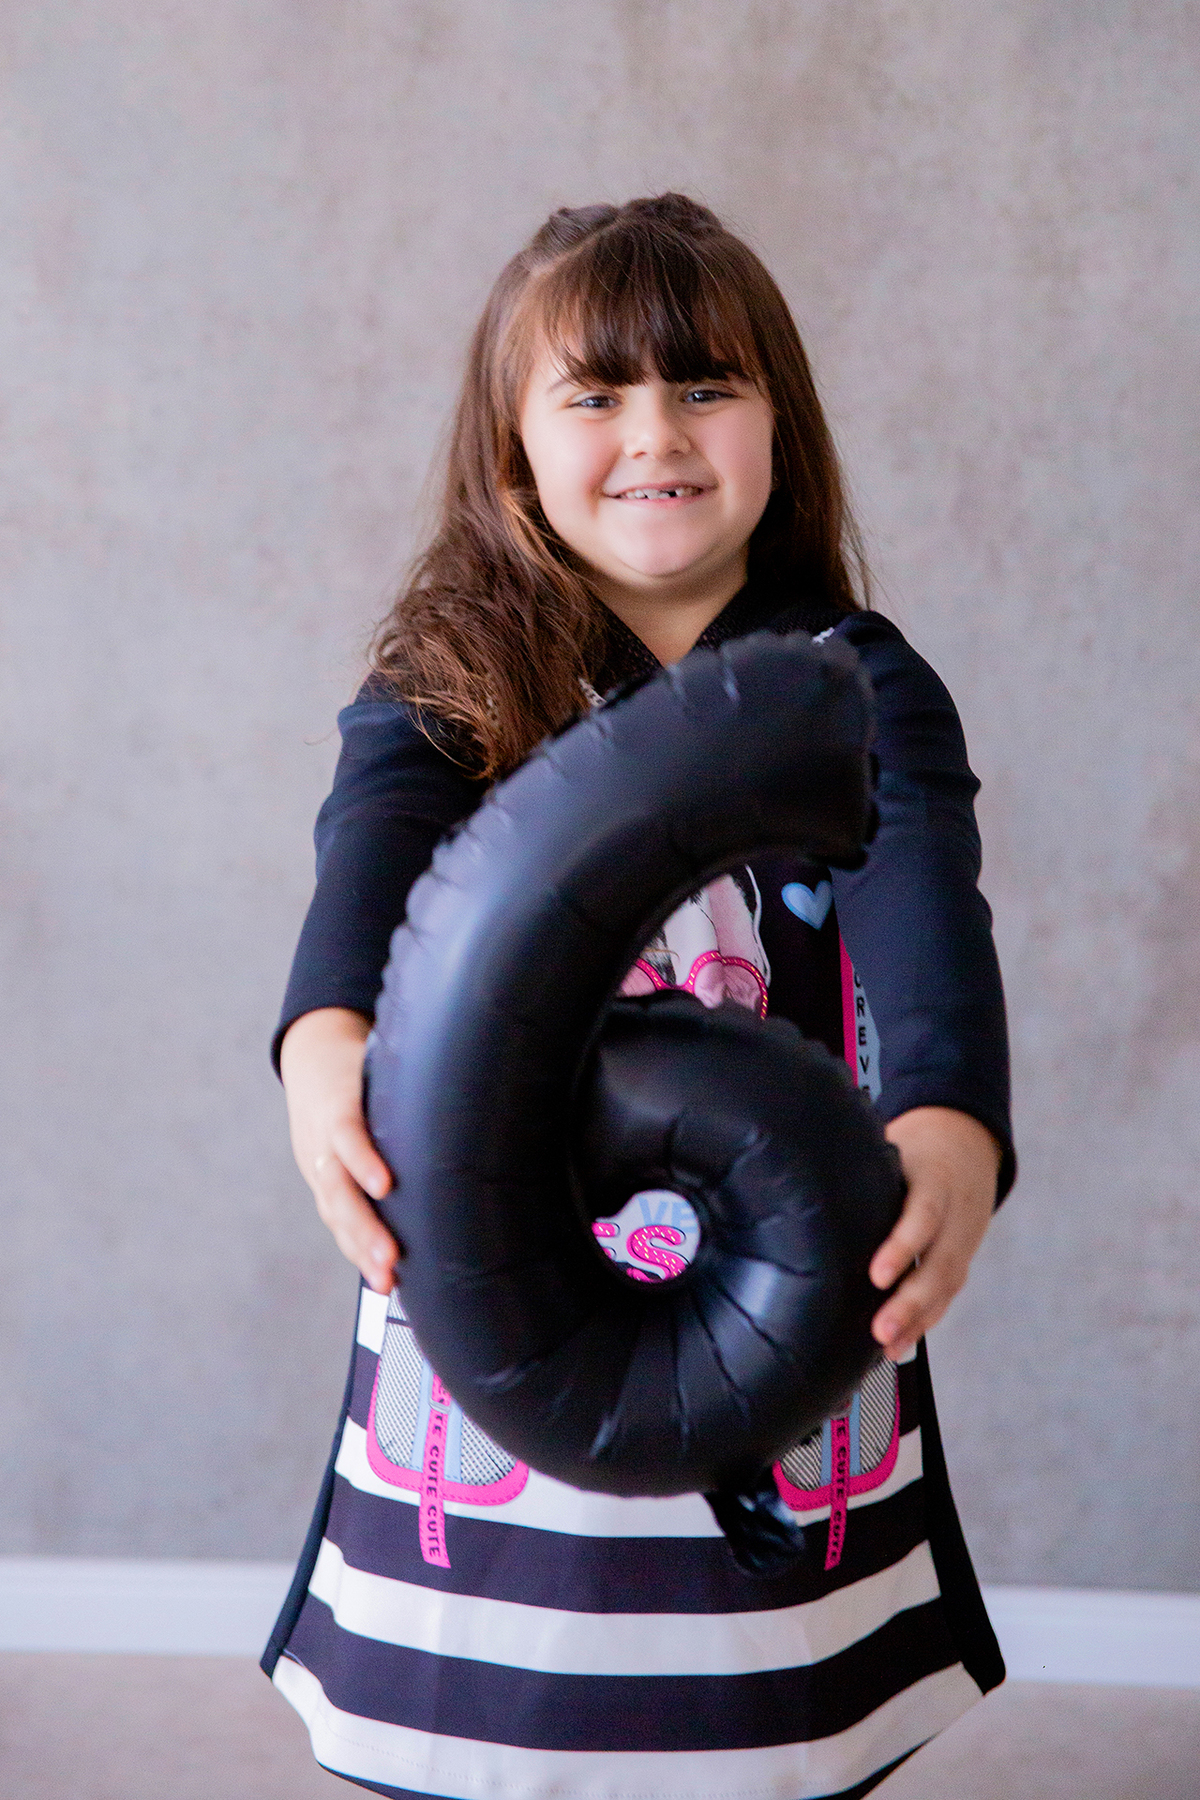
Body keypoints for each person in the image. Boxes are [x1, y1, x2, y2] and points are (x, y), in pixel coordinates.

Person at [262, 194, 1015, 1800]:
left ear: (778, 425)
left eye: (705, 386)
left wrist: (950, 1122)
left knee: (765, 1717)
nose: (656, 433)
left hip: (779, 1281)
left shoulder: (853, 678)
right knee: (494, 1709)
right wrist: (324, 1056)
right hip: (500, 1272)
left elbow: (925, 901)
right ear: (513, 450)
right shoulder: (451, 679)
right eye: (595, 394)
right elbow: (363, 874)